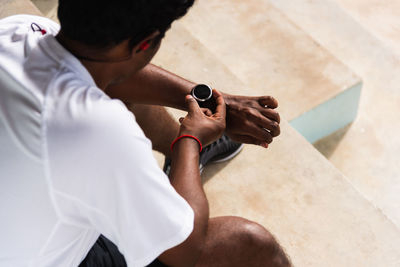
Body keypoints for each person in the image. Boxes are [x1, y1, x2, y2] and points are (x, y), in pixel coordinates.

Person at [0, 0, 290, 266]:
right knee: (252, 243)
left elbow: (106, 74)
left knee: (113, 89)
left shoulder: (18, 30)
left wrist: (218, 101)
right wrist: (189, 142)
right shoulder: (101, 131)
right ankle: (186, 159)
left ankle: (182, 166)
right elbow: (186, 248)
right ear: (146, 44)